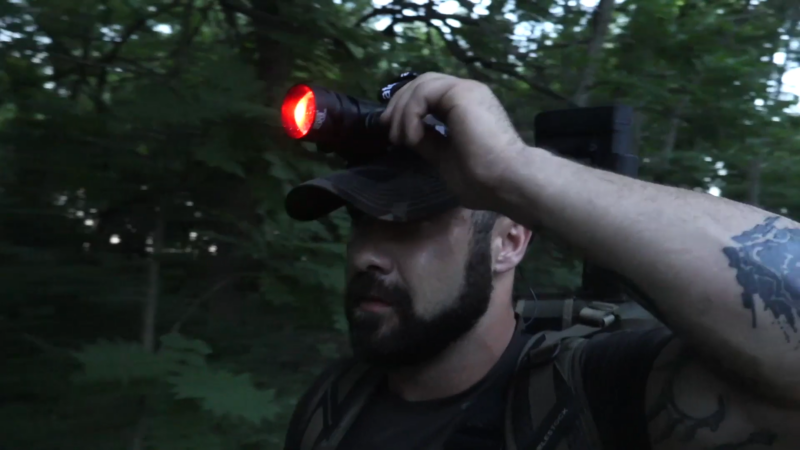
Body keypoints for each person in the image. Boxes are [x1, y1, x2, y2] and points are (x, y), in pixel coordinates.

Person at [281, 72, 800, 450]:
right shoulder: (332, 405)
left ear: (508, 243)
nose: (368, 254)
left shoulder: (600, 393)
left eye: (410, 226)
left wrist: (515, 170)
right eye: (361, 223)